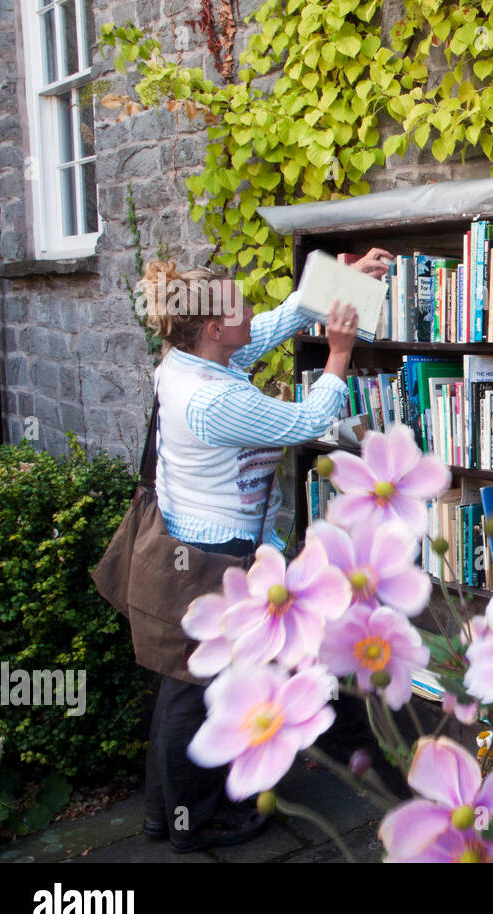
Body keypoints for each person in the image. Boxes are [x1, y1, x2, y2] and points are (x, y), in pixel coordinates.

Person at [138, 248, 392, 851]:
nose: (251, 309)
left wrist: (339, 278)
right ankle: (196, 820)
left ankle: (162, 811)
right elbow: (305, 422)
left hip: (196, 538)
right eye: (239, 306)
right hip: (213, 550)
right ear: (212, 327)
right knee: (192, 688)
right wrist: (338, 353)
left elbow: (274, 323)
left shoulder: (194, 360)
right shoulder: (213, 398)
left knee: (185, 680)